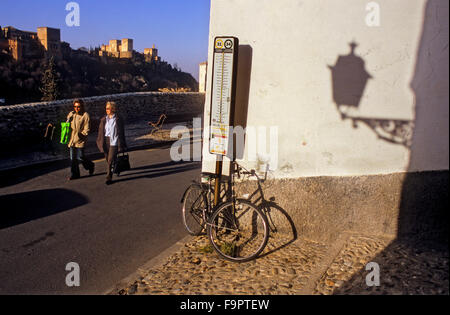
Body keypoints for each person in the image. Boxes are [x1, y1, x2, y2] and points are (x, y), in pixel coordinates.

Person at [96, 101, 127, 185]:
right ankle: (117, 167)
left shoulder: (118, 119)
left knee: (109, 161)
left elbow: (121, 132)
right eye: (106, 108)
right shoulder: (104, 119)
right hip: (106, 141)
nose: (107, 110)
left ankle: (108, 177)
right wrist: (99, 141)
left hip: (114, 141)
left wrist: (122, 143)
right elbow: (100, 132)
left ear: (113, 109)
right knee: (108, 159)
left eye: (108, 108)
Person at [67, 99, 95, 180]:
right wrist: (68, 120)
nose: (76, 108)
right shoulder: (71, 114)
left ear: (82, 107)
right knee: (73, 159)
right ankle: (75, 174)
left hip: (80, 139)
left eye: (78, 107)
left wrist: (81, 135)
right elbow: (67, 124)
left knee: (80, 157)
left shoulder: (85, 115)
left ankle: (90, 165)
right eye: (75, 106)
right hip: (72, 140)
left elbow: (87, 129)